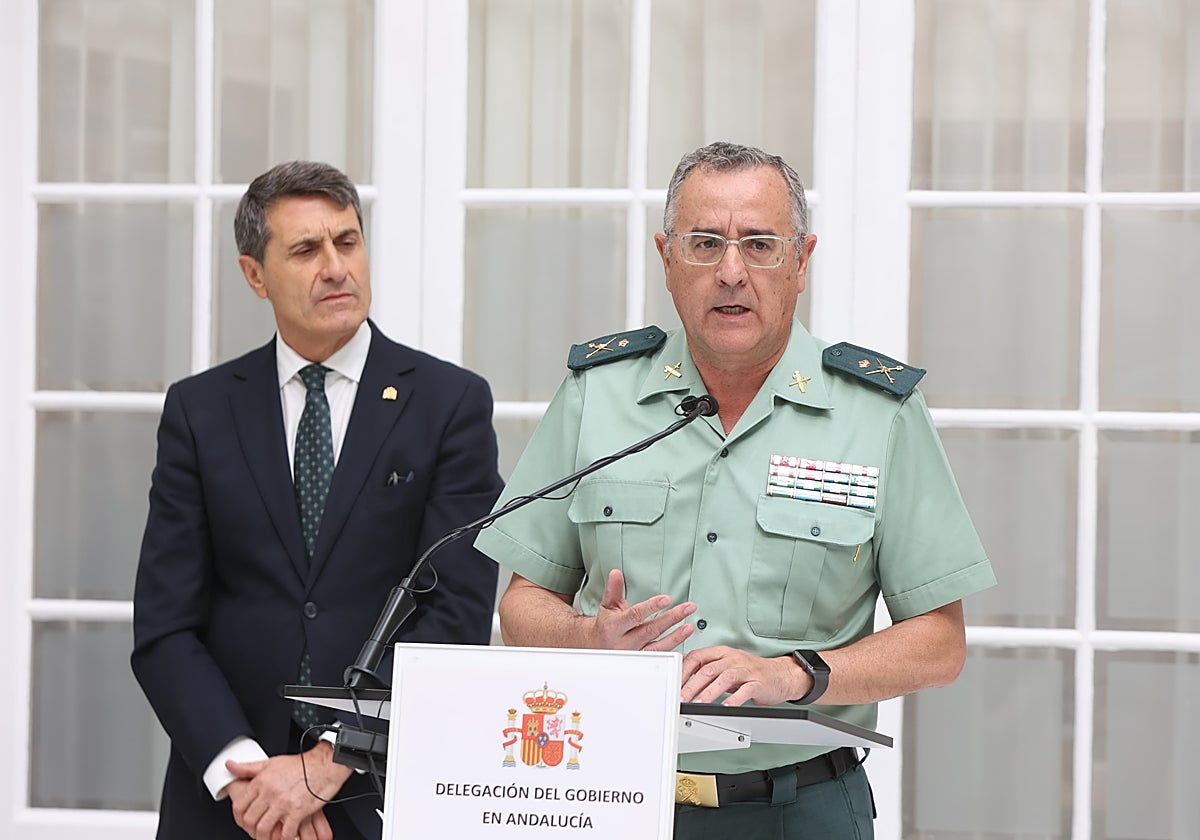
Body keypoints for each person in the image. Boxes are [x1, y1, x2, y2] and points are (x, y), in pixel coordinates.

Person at [473, 141, 996, 839]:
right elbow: (522, 606)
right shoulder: (597, 395)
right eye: (704, 243)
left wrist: (795, 676)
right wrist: (588, 638)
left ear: (801, 260)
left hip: (799, 810)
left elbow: (939, 643)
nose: (730, 273)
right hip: (606, 796)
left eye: (759, 244)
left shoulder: (880, 415)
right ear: (666, 258)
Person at [131, 160, 503, 840]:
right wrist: (249, 777)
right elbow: (164, 628)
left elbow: (457, 613)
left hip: (382, 797)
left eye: (347, 241)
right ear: (254, 274)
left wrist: (331, 760)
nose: (336, 267)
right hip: (228, 806)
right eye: (306, 249)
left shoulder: (450, 405)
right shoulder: (199, 410)